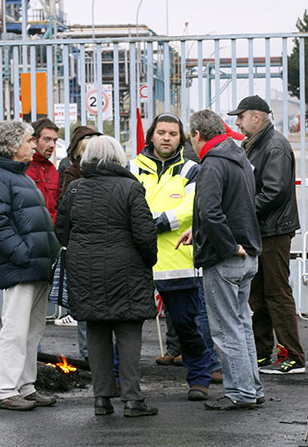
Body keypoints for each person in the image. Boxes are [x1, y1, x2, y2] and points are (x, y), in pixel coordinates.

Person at [59, 135, 158, 417]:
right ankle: (132, 399)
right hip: (126, 269)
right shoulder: (130, 187)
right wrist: (148, 261)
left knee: (96, 332)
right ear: (117, 157)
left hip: (84, 269)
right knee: (128, 333)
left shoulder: (75, 189)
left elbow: (61, 231)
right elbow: (145, 233)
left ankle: (101, 398)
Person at [177, 109, 264, 411]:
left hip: (225, 258)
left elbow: (213, 212)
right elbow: (235, 206)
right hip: (248, 254)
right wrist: (197, 229)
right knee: (241, 325)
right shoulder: (239, 158)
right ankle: (252, 388)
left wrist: (226, 246)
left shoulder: (211, 164)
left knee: (226, 330)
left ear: (198, 136)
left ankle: (240, 392)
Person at [128, 112, 217, 401]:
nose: (167, 137)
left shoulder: (193, 169)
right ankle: (122, 382)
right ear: (151, 135)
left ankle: (199, 379)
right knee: (127, 325)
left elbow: (193, 207)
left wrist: (153, 223)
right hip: (137, 260)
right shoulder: (131, 168)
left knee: (186, 326)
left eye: (173, 133)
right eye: (161, 132)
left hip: (178, 260)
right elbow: (123, 205)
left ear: (182, 138)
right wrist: (149, 223)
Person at [0, 120, 60, 411]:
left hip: (35, 266)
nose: (33, 145)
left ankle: (25, 386)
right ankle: (4, 390)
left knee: (32, 331)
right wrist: (24, 255)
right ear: (13, 146)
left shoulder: (18, 176)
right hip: (22, 266)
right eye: (28, 141)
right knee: (15, 330)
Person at [230, 95, 306, 375]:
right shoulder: (257, 144)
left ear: (256, 117)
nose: (237, 122)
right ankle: (263, 353)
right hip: (263, 230)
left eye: (241, 116)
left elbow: (274, 191)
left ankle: (294, 357)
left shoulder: (274, 145)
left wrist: (243, 211)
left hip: (273, 231)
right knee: (258, 295)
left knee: (276, 293)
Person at [54, 125, 102, 329]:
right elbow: (67, 208)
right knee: (85, 303)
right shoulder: (71, 172)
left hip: (99, 243)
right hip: (81, 243)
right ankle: (87, 356)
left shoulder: (109, 172)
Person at [26, 118, 60, 223]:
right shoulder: (23, 167)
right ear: (34, 140)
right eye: (47, 139)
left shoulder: (52, 170)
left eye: (54, 140)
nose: (52, 145)